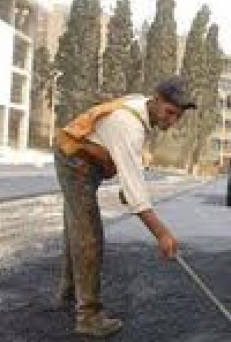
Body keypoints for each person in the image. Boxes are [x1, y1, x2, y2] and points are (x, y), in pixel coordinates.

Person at [53, 77, 196, 337]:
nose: (172, 121)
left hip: (86, 159)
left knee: (77, 227)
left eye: (178, 116)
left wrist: (127, 186)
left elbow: (125, 162)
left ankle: (69, 291)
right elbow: (136, 197)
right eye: (170, 112)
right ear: (156, 99)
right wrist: (161, 234)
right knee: (89, 234)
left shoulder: (140, 112)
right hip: (75, 160)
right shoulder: (128, 125)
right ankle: (88, 316)